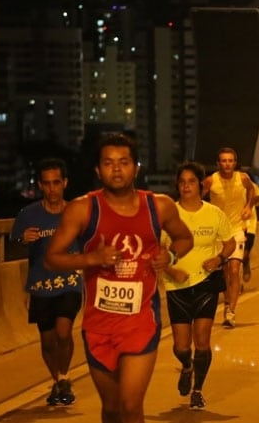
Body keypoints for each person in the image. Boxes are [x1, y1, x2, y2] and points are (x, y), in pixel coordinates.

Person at [45, 133, 194, 423]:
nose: (116, 169)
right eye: (109, 163)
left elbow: (184, 238)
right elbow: (52, 258)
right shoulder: (82, 209)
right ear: (98, 170)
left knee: (130, 405)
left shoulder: (159, 206)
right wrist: (91, 259)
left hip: (141, 321)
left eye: (123, 162)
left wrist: (171, 257)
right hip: (98, 325)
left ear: (135, 167)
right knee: (112, 409)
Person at [161, 162, 235, 410]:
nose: (186, 187)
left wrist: (219, 258)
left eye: (191, 182)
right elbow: (158, 252)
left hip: (206, 283)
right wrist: (172, 270)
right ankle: (186, 365)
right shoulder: (169, 214)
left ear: (201, 186)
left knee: (202, 341)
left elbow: (230, 243)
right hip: (176, 285)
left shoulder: (214, 214)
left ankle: (198, 390)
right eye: (182, 182)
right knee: (181, 346)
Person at [11, 158, 83, 406]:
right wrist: (24, 240)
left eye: (56, 183)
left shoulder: (76, 210)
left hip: (70, 281)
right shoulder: (28, 214)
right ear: (40, 185)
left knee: (64, 332)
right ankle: (59, 381)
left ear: (65, 183)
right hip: (42, 283)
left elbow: (91, 241)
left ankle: (63, 377)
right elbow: (12, 247)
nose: (52, 189)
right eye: (47, 184)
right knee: (48, 340)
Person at [202, 147, 259, 328]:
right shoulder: (211, 181)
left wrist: (249, 206)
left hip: (236, 229)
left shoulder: (242, 178)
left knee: (234, 270)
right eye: (224, 161)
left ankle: (231, 311)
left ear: (235, 163)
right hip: (218, 232)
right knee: (225, 272)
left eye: (230, 161)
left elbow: (252, 191)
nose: (227, 164)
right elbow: (195, 197)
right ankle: (227, 301)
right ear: (219, 163)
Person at [242, 179, 259, 285]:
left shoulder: (248, 183)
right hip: (233, 224)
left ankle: (246, 262)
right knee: (232, 258)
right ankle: (235, 285)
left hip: (249, 224)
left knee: (244, 255)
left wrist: (249, 204)